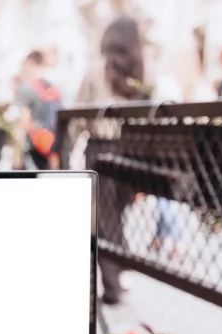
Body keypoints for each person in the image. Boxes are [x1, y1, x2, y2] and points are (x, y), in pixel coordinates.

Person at [76, 15, 148, 305]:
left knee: (103, 220)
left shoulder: (96, 72)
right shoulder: (142, 73)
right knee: (115, 216)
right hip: (133, 153)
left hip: (101, 152)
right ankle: (120, 268)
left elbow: (77, 116)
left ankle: (112, 284)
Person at [16, 50, 63, 170]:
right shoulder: (53, 88)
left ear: (30, 64)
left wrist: (17, 153)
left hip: (34, 146)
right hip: (54, 146)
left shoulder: (26, 89)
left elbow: (24, 120)